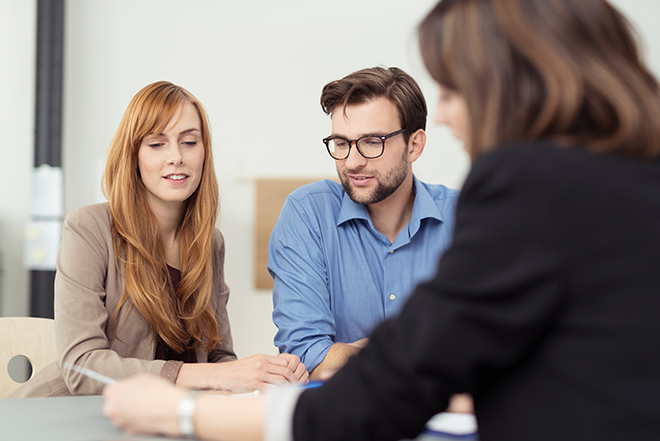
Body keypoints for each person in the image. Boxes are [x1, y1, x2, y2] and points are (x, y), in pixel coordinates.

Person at [103, 0, 660, 440]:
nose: (444, 113)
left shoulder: (522, 185)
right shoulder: (631, 179)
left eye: (453, 88)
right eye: (340, 143)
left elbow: (402, 380)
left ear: (512, 83)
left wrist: (182, 414)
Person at [11, 81, 307, 398]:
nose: (176, 156)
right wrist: (221, 374)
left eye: (189, 142)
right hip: (66, 417)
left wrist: (267, 376)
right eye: (156, 144)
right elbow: (82, 367)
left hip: (162, 421)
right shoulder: (88, 228)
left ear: (204, 152)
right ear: (134, 155)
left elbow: (218, 357)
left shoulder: (210, 243)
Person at [269, 66, 459, 379]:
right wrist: (422, 353)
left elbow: (489, 347)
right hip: (342, 423)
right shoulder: (308, 213)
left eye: (372, 142)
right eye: (341, 143)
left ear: (414, 145)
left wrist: (351, 355)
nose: (352, 161)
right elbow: (305, 356)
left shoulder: (461, 219)